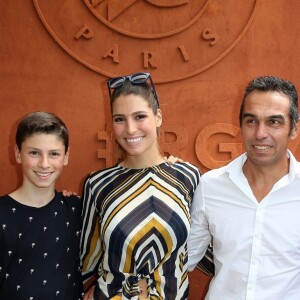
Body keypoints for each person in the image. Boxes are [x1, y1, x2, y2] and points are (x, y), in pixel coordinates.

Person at [80, 72, 201, 299]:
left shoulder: (189, 177)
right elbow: (87, 257)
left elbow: (202, 245)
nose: (130, 129)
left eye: (139, 116)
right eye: (119, 119)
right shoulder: (97, 184)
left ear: (158, 117)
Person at [188, 75, 300, 300]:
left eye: (274, 122)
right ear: (240, 125)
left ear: (294, 129)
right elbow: (183, 259)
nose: (260, 133)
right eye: (251, 121)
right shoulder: (210, 187)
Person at [0, 112, 84, 300]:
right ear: (17, 153)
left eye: (54, 154)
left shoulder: (77, 210)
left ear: (66, 156)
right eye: (34, 153)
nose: (44, 164)